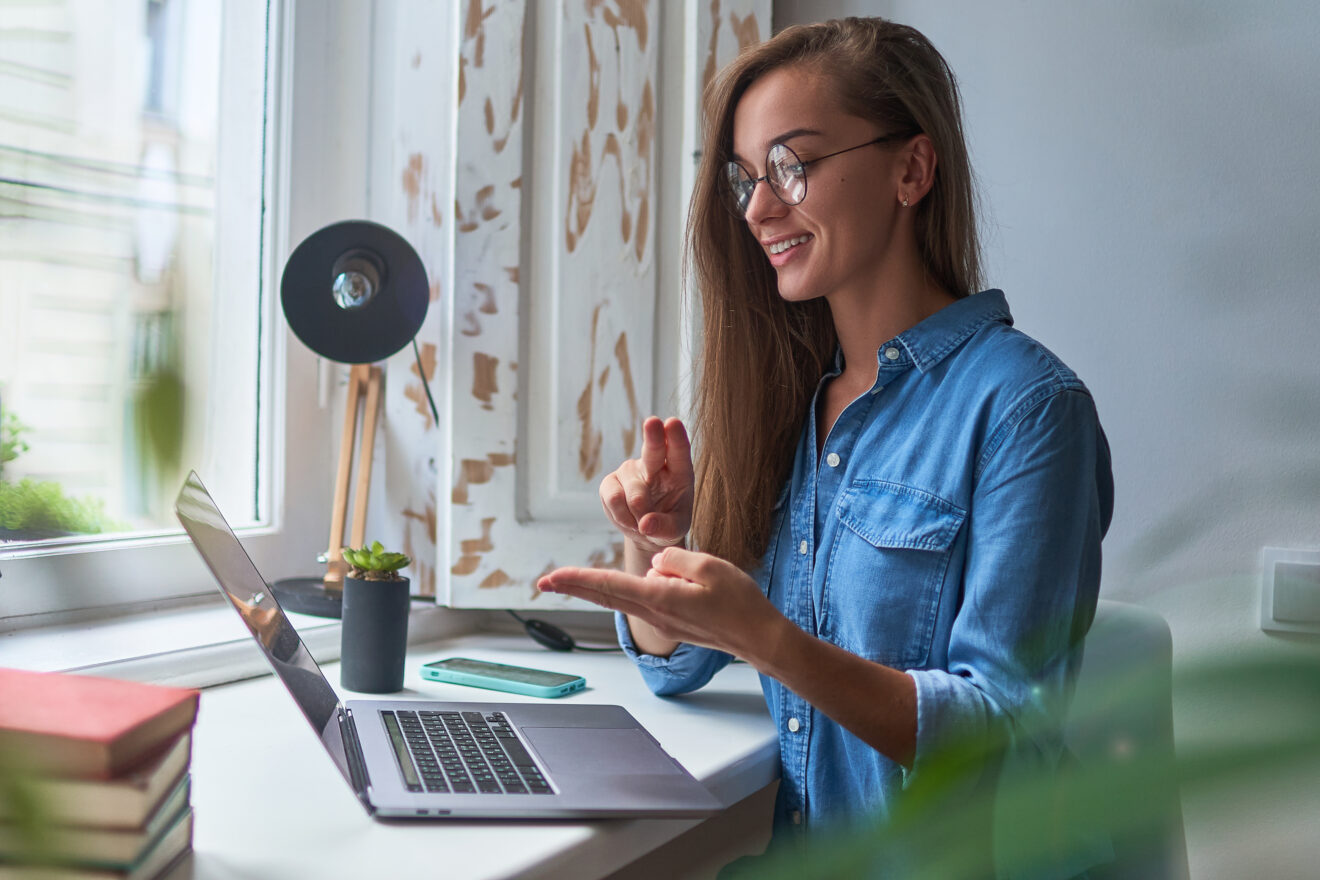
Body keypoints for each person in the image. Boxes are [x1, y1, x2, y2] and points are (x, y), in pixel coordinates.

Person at [538, 16, 1113, 877]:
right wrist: (658, 547)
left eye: (791, 166)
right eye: (744, 178)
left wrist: (770, 639)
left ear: (911, 170)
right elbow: (675, 670)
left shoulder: (1029, 409)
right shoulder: (800, 407)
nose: (760, 208)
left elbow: (1006, 736)